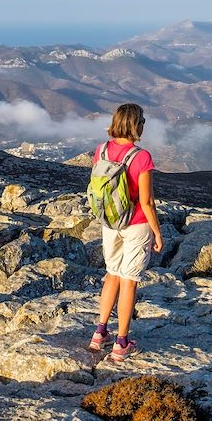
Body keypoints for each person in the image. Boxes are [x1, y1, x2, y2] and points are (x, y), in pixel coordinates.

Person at [88, 103, 163, 362]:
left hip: (110, 223)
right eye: (142, 120)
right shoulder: (142, 157)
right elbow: (147, 201)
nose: (144, 124)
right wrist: (157, 231)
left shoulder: (102, 150)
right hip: (136, 224)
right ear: (135, 124)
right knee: (129, 281)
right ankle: (122, 342)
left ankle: (99, 333)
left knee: (112, 275)